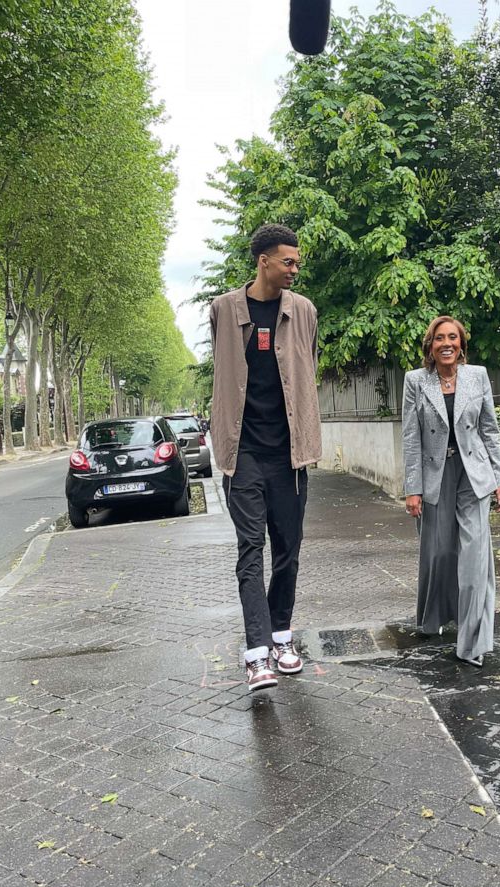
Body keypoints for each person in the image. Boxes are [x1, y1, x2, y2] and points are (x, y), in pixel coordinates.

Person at [209, 224, 322, 691]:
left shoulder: (304, 311)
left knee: (289, 550)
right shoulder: (224, 309)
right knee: (250, 549)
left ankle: (282, 636)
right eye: (288, 262)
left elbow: (307, 364)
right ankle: (257, 651)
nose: (295, 269)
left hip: (289, 454)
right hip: (244, 453)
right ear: (263, 261)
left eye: (297, 262)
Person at [402, 316, 500, 665]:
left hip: (474, 476)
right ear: (430, 346)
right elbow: (411, 438)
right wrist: (412, 488)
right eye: (439, 338)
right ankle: (434, 618)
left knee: (475, 560)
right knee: (440, 553)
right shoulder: (416, 381)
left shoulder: (477, 376)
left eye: (453, 338)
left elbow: (489, 429)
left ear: (461, 344)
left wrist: (499, 478)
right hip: (435, 476)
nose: (446, 343)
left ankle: (472, 643)